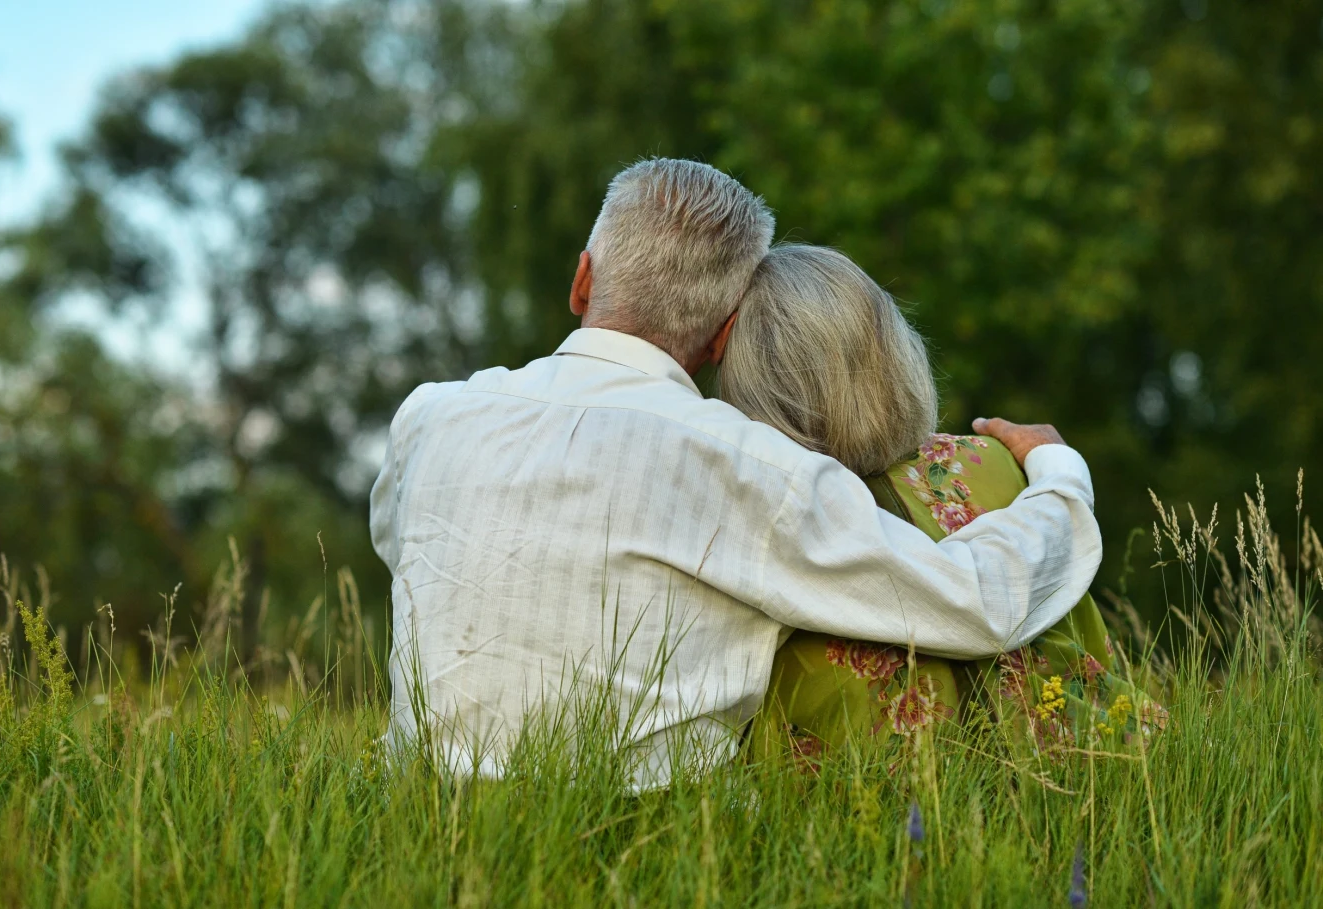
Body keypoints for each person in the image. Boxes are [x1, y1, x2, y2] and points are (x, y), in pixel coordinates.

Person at [369, 158, 1102, 788]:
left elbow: (402, 549)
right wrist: (1057, 471)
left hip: (427, 820)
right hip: (653, 843)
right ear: (725, 335)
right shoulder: (746, 464)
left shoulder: (428, 416)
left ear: (581, 280)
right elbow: (974, 604)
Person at [718, 244, 1166, 766]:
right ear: (892, 350)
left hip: (864, 828)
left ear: (751, 384)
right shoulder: (1006, 466)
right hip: (1079, 791)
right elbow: (1087, 640)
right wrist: (1057, 465)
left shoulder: (759, 514)